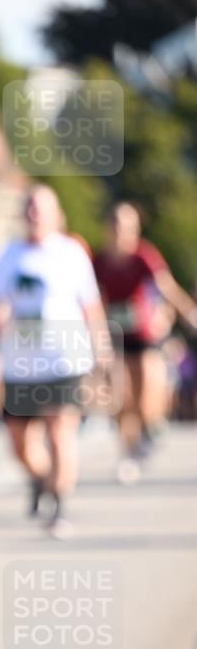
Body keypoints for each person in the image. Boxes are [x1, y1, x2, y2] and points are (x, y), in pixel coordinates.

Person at [0, 185, 112, 538]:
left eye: (41, 208)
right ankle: (42, 479)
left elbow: (91, 306)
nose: (34, 214)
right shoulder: (7, 256)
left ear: (56, 215)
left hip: (64, 360)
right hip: (20, 364)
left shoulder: (71, 253)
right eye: (28, 207)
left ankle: (59, 505)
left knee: (60, 432)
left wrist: (102, 349)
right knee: (20, 444)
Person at [93, 202, 197, 483]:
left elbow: (166, 287)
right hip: (114, 337)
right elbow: (90, 299)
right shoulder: (98, 261)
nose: (121, 233)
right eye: (116, 226)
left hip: (144, 335)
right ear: (108, 228)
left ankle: (151, 426)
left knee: (146, 393)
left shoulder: (144, 256)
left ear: (135, 230)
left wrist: (189, 313)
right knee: (118, 398)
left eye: (128, 228)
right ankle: (128, 452)